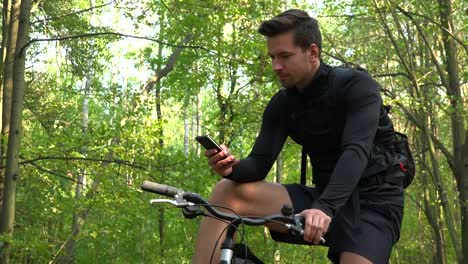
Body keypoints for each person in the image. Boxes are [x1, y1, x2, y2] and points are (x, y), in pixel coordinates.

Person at [193, 9, 404, 264]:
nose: (275, 66)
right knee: (227, 192)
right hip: (322, 197)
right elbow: (258, 165)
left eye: (284, 56)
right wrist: (232, 167)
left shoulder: (357, 86)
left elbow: (356, 151)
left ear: (312, 52)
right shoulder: (283, 105)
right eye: (272, 57)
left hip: (374, 203)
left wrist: (324, 208)